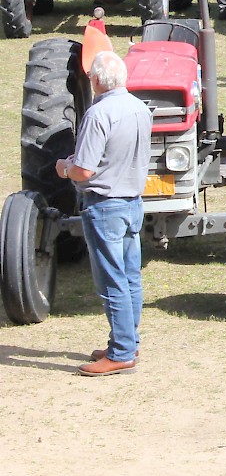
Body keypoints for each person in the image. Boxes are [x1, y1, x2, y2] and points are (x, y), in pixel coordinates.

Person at [56, 51, 152, 376]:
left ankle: (122, 351)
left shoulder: (98, 114)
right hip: (132, 202)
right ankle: (127, 340)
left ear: (95, 80)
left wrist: (64, 168)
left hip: (105, 205)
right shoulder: (140, 109)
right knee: (130, 277)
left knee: (111, 281)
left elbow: (84, 170)